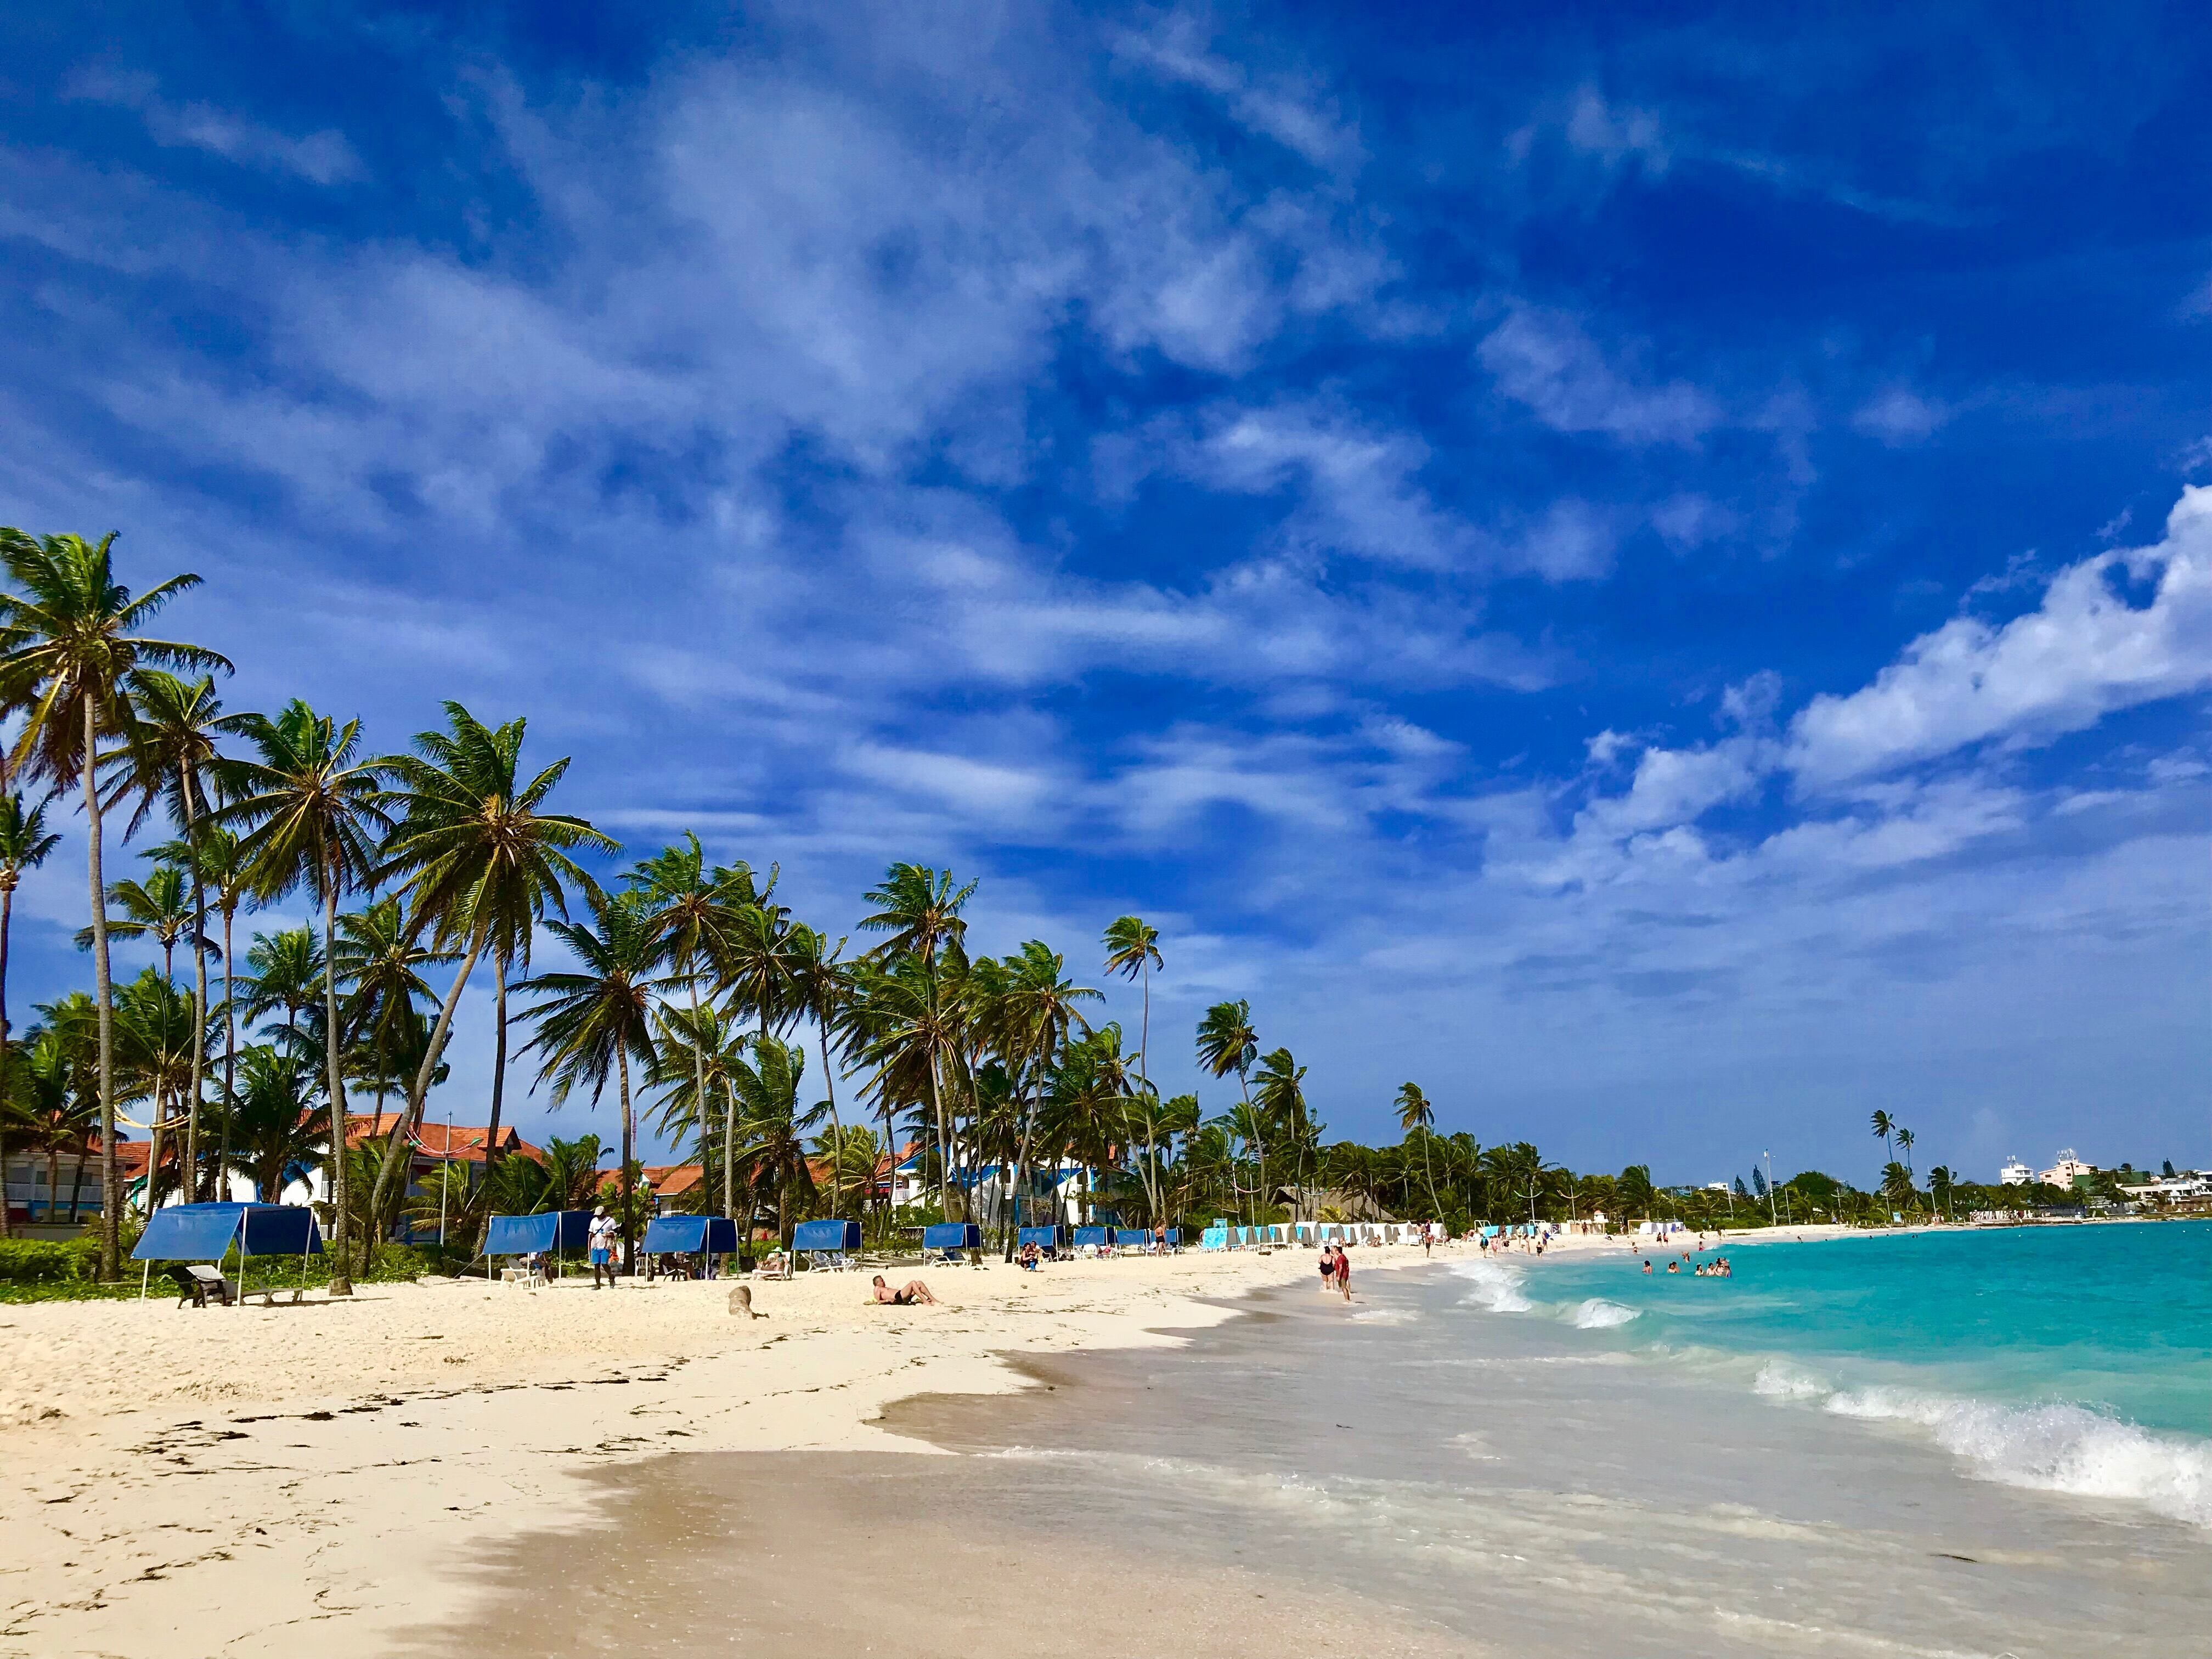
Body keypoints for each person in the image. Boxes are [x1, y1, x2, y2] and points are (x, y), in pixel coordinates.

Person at [588, 1206, 619, 1289]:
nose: (598, 1217)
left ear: (603, 1213)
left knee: (604, 1264)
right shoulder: (594, 1221)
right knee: (596, 1265)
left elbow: (617, 1232)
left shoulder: (611, 1221)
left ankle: (611, 1277)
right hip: (595, 1246)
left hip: (605, 1246)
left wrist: (610, 1234)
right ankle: (598, 1285)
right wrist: (591, 1236)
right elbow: (590, 1232)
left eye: (599, 1215)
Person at [871, 1274, 936, 1306]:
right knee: (913, 1283)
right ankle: (925, 1301)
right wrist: (887, 1300)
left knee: (919, 1283)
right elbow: (878, 1301)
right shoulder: (877, 1288)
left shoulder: (882, 1288)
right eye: (882, 1281)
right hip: (898, 1297)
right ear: (877, 1283)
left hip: (902, 1296)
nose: (884, 1282)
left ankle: (933, 1299)